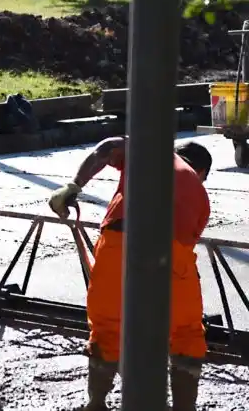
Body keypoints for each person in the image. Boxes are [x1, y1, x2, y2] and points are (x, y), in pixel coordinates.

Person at [48, 137, 213, 411]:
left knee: (108, 328)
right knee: (186, 333)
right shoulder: (200, 195)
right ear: (202, 172)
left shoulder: (150, 156)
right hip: (172, 252)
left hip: (117, 245)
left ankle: (96, 403)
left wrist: (73, 186)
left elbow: (107, 147)